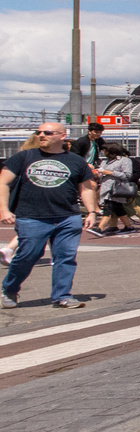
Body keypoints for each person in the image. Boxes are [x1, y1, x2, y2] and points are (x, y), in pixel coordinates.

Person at [1, 122, 99, 309]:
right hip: (31, 216)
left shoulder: (76, 161)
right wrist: (4, 210)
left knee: (65, 257)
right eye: (39, 132)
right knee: (28, 255)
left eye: (47, 132)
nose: (41, 135)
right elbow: (3, 183)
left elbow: (86, 188)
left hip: (67, 217)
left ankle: (62, 296)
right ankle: (9, 288)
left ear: (62, 136)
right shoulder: (23, 157)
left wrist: (91, 212)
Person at [90, 142, 139, 235]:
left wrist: (110, 172)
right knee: (118, 208)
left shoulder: (124, 160)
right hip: (106, 188)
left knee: (108, 208)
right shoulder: (105, 161)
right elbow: (102, 173)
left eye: (105, 150)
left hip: (117, 188)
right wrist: (97, 173)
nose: (103, 152)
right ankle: (129, 227)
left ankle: (99, 228)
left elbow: (127, 175)